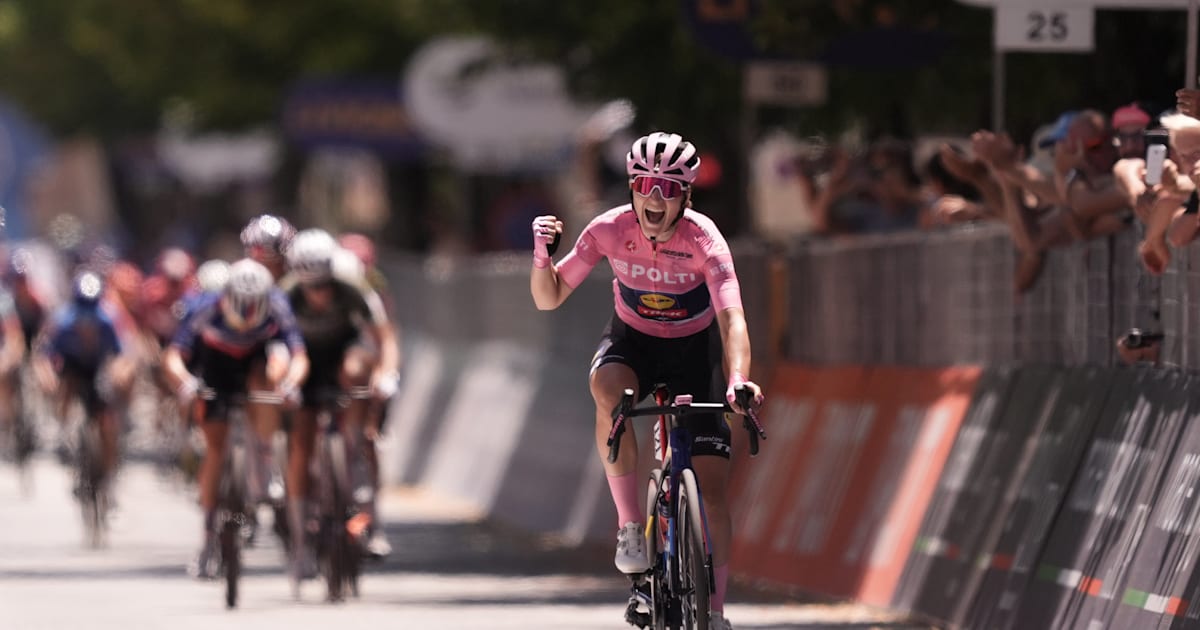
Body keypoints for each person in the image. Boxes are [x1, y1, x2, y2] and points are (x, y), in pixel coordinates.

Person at [529, 131, 764, 630]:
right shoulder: (608, 230)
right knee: (608, 392)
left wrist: (739, 377)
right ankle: (631, 527)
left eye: (669, 188)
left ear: (686, 196)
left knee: (715, 492)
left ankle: (716, 610)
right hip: (632, 343)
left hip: (692, 352)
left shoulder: (704, 240)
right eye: (645, 185)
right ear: (632, 188)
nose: (655, 198)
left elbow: (733, 320)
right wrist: (541, 256)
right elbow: (548, 297)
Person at [162, 258, 308, 578]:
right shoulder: (206, 308)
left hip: (256, 361)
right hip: (217, 366)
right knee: (215, 448)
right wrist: (185, 383)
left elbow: (298, 354)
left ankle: (264, 458)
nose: (246, 310)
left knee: (269, 375)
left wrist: (290, 386)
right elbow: (174, 355)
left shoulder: (278, 305)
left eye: (254, 304)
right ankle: (207, 538)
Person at [281, 229, 400, 577]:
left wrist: (386, 374)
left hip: (344, 360)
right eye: (311, 287)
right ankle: (301, 543)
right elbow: (272, 344)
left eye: (324, 285)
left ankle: (357, 465)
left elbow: (385, 338)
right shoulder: (286, 294)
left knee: (357, 373)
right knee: (300, 447)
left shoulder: (353, 287)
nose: (319, 294)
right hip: (304, 363)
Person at [33, 270, 135, 493]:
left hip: (97, 367)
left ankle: (108, 476)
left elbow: (124, 355)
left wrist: (120, 372)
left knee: (107, 421)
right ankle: (65, 431)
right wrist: (47, 377)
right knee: (64, 388)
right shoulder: (62, 321)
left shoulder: (108, 319)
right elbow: (42, 356)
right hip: (72, 366)